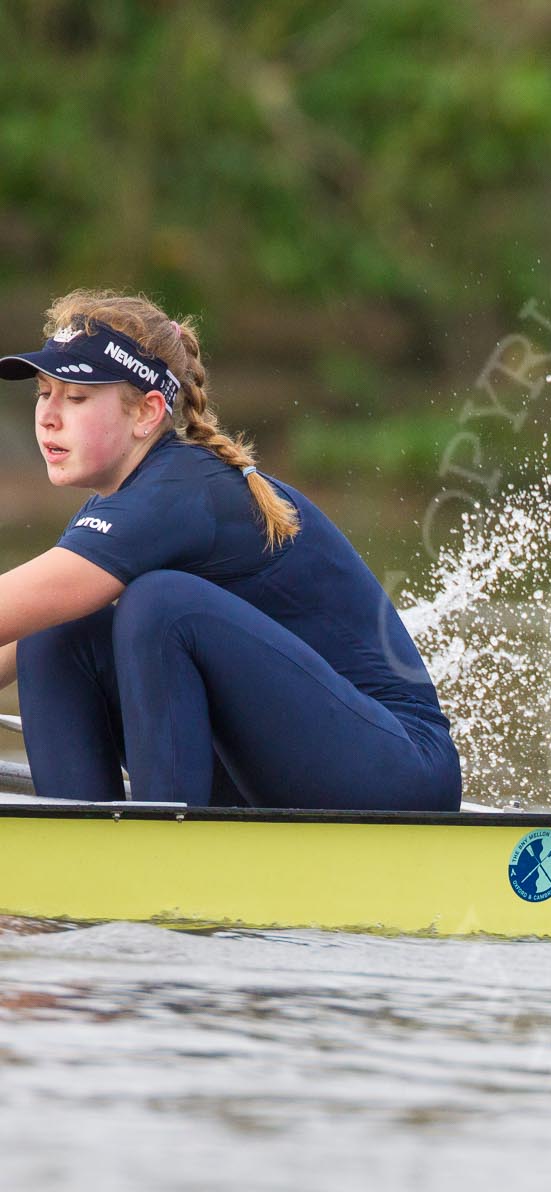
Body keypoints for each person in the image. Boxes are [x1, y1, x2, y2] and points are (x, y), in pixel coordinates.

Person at [0, 290, 461, 810]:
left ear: (148, 413)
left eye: (76, 397)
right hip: (277, 760)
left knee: (161, 604)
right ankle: (79, 856)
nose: (48, 417)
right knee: (50, 637)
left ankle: (162, 860)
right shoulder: (123, 506)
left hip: (399, 771)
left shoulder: (181, 490)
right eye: (44, 393)